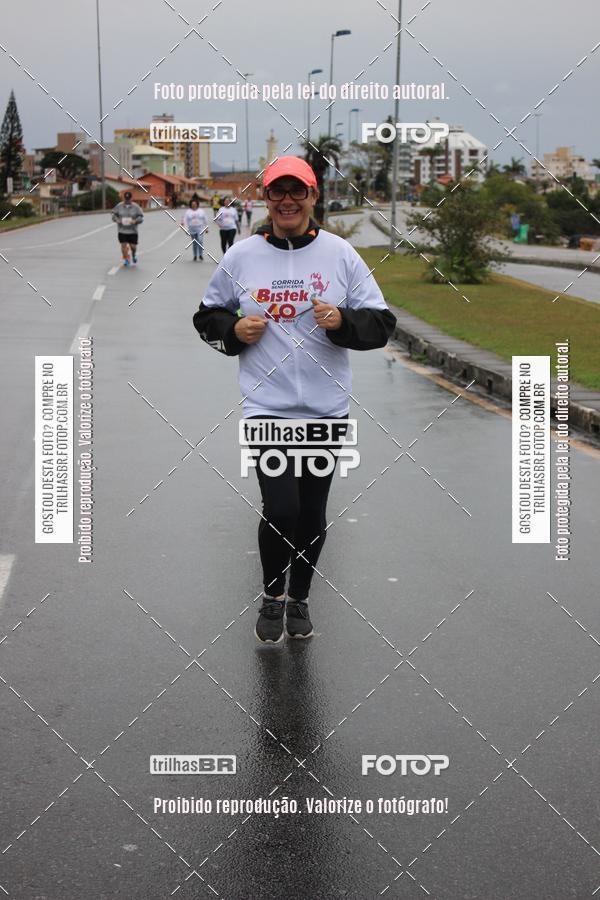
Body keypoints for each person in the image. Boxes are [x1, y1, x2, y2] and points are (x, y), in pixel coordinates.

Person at [193, 156, 396, 643]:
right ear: (266, 198)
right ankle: (272, 593)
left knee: (312, 514)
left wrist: (343, 322)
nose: (287, 200)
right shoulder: (241, 256)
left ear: (313, 196)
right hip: (267, 408)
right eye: (277, 192)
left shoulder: (341, 254)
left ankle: (300, 597)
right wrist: (233, 330)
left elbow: (382, 325)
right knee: (280, 508)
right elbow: (207, 318)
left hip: (327, 409)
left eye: (297, 191)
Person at [111, 191, 144, 266]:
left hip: (132, 231)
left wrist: (135, 221)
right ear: (124, 198)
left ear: (131, 198)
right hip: (122, 230)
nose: (127, 200)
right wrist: (117, 220)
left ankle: (134, 254)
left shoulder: (136, 207)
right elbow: (113, 214)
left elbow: (141, 217)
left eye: (128, 199)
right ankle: (126, 259)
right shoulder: (119, 206)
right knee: (123, 245)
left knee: (133, 246)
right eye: (126, 199)